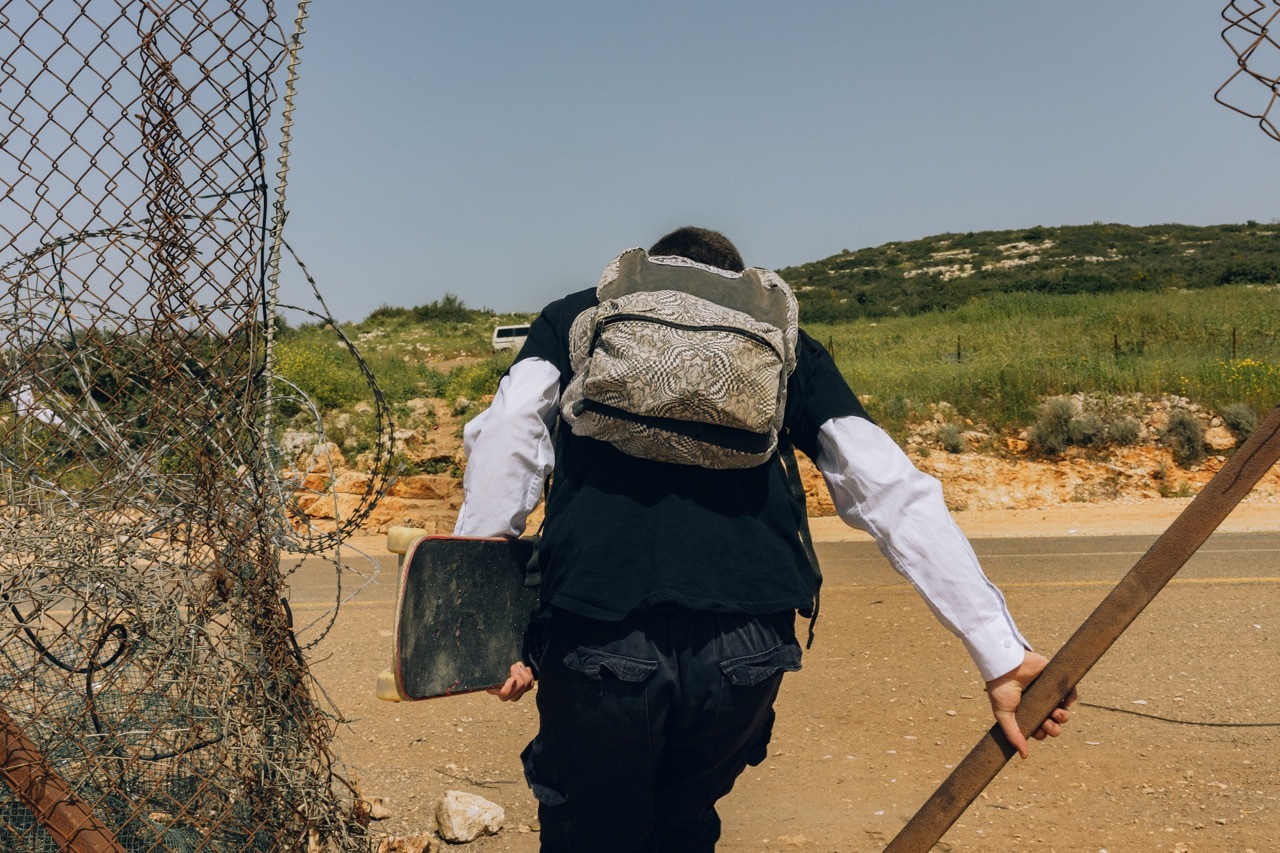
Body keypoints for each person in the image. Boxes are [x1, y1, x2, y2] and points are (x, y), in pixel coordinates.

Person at [452, 226, 1073, 852]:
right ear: (737, 279)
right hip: (745, 644)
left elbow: (508, 433)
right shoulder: (781, 340)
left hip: (601, 624)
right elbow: (887, 486)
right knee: (685, 820)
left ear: (651, 270)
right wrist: (999, 652)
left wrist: (478, 625)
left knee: (593, 830)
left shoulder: (575, 317)